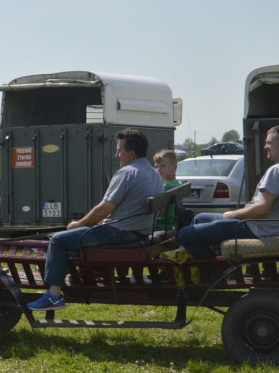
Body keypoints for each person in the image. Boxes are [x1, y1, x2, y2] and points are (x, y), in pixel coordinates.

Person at [28, 128, 164, 310]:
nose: (116, 154)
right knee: (77, 237)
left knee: (58, 240)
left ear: (131, 153)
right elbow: (158, 211)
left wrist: (78, 224)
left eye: (119, 150)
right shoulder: (154, 174)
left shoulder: (127, 173)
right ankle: (64, 270)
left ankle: (53, 296)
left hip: (120, 233)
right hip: (140, 233)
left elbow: (104, 209)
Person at [175, 125, 279, 259]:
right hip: (262, 225)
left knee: (184, 235)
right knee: (199, 218)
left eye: (269, 142)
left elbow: (263, 209)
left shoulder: (276, 170)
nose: (265, 146)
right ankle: (200, 270)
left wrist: (233, 214)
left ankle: (216, 271)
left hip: (255, 228)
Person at [153, 149, 182, 232]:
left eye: (162, 166)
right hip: (171, 224)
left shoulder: (166, 187)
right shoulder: (177, 184)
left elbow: (160, 213)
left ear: (174, 167)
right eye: (156, 166)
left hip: (160, 225)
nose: (159, 169)